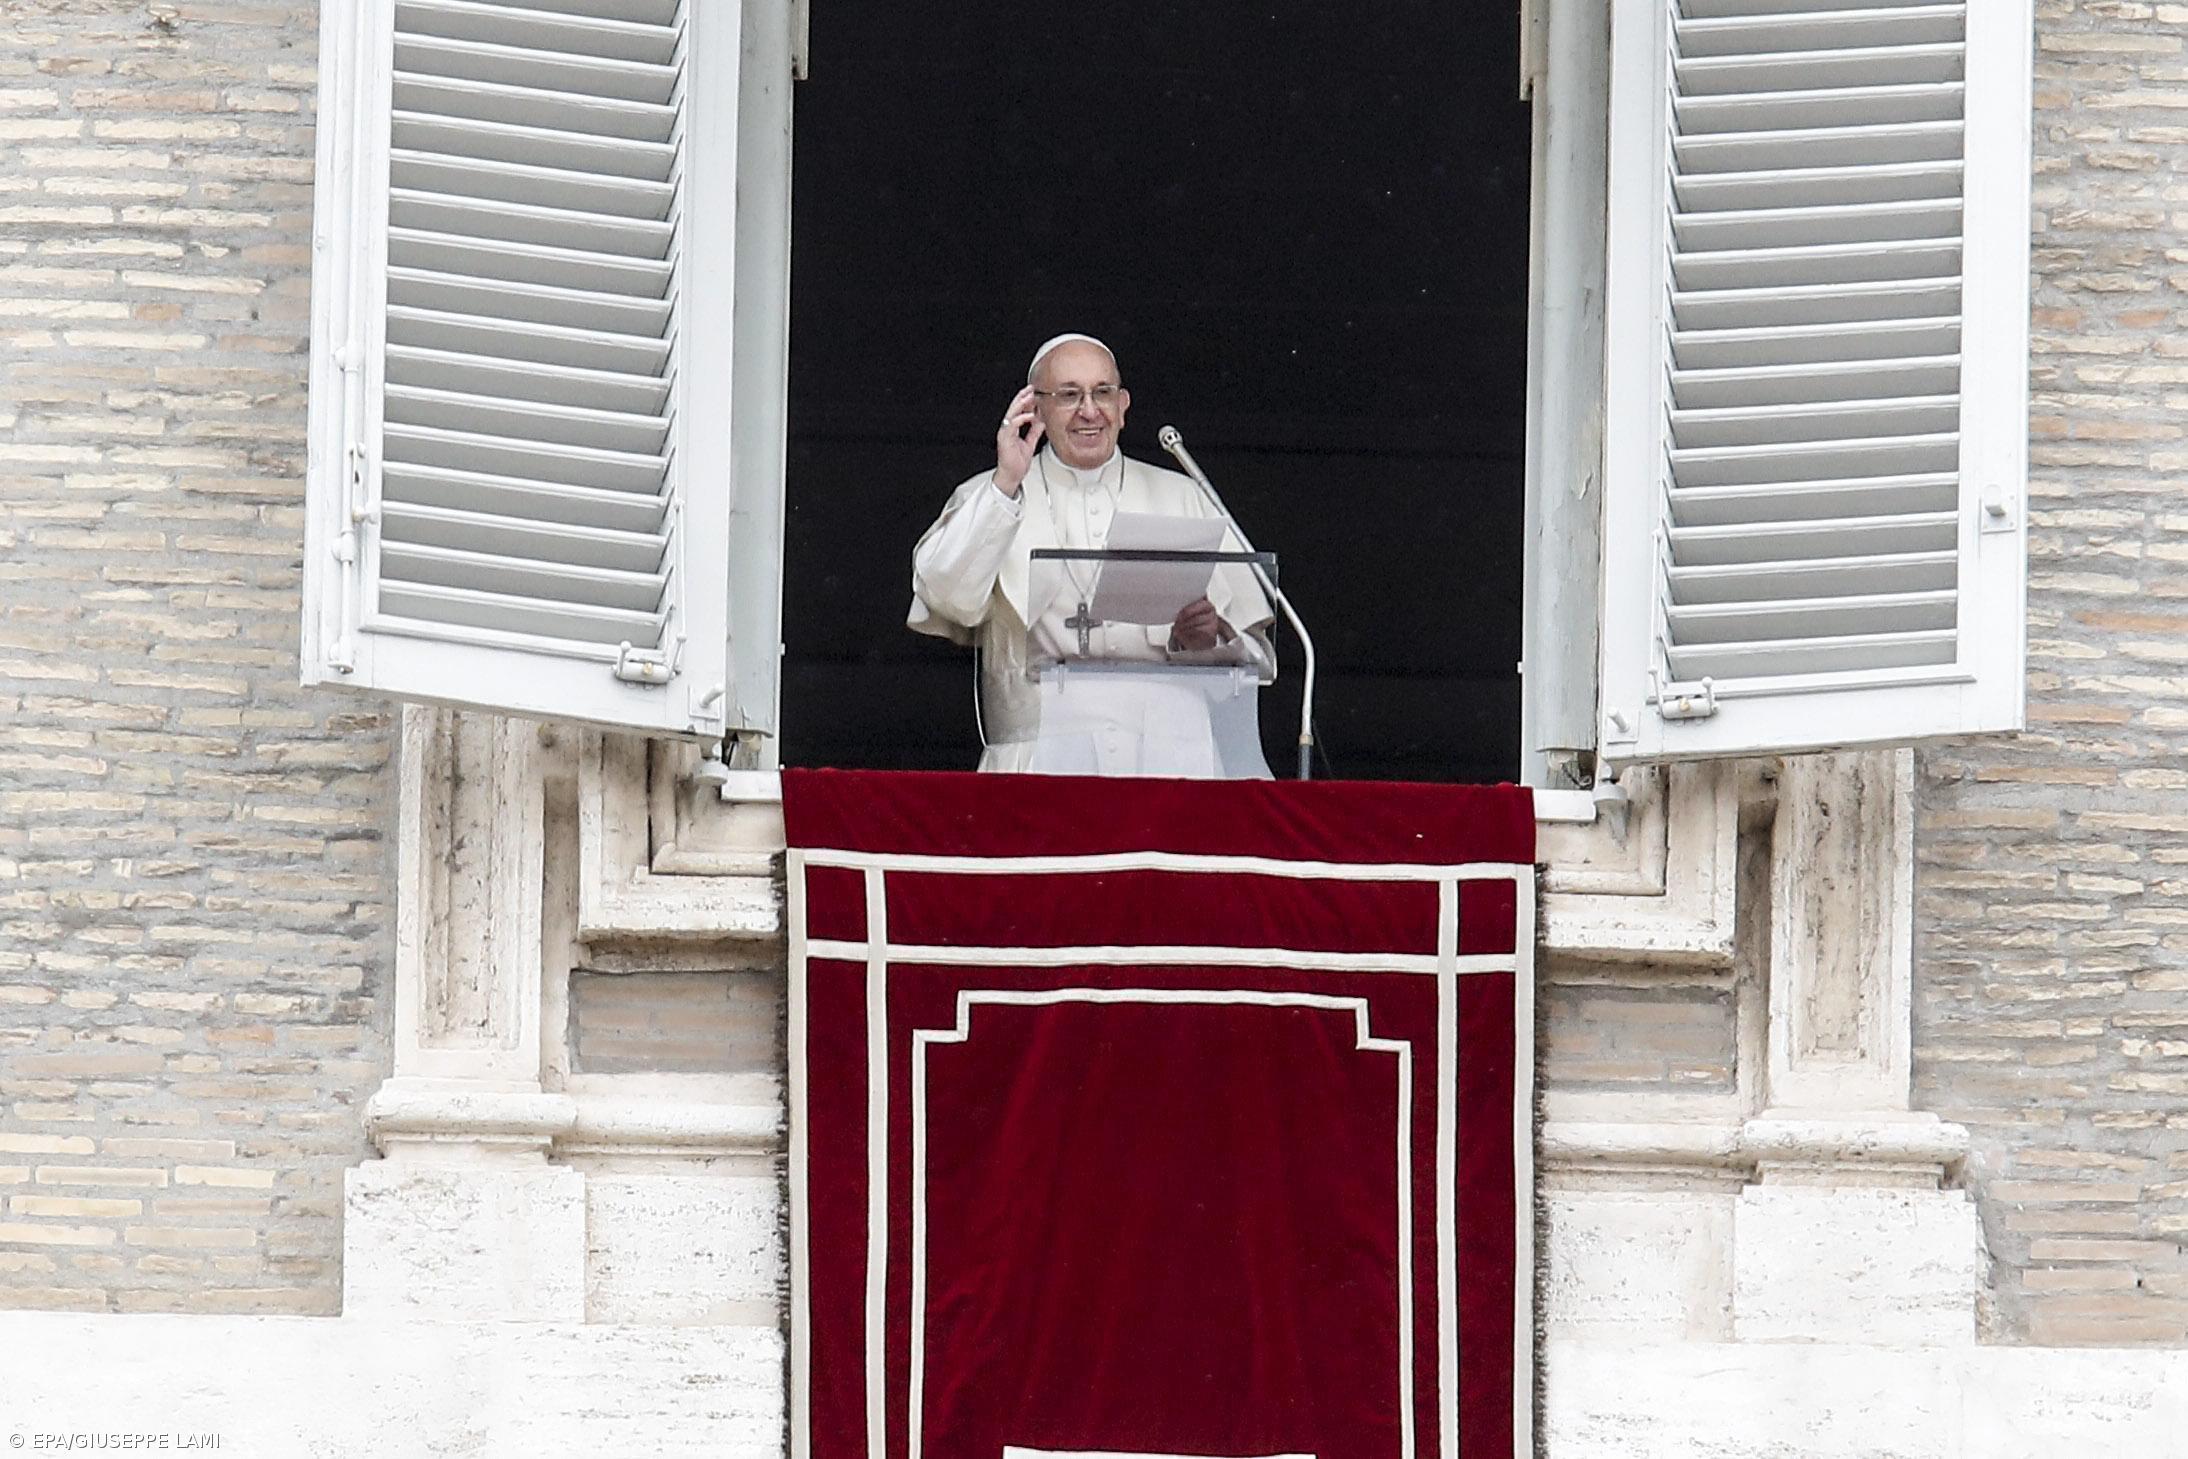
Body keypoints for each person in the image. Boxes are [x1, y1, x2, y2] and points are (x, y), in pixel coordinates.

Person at [909, 333, 1275, 776]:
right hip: (1040, 763)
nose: (1089, 410)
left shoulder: (1183, 495)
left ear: (1123, 406)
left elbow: (1255, 656)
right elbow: (948, 598)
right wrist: (1006, 483)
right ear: (1035, 408)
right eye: (1068, 395)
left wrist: (1207, 638)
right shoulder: (988, 497)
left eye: (1102, 392)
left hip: (1173, 764)